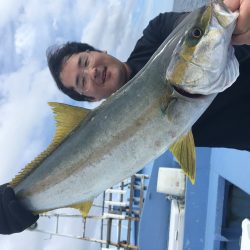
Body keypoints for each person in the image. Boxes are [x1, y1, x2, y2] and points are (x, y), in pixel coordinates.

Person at [1, 0, 250, 235]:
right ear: (89, 100)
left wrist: (231, 19)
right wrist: (15, 204)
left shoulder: (156, 33)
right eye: (82, 81)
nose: (92, 71)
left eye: (86, 61)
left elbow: (193, 29)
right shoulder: (98, 132)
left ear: (102, 51)